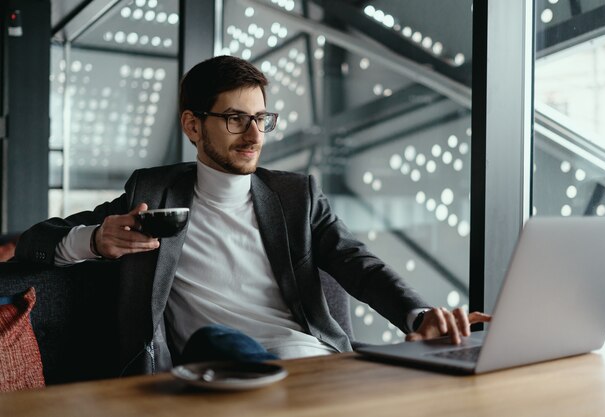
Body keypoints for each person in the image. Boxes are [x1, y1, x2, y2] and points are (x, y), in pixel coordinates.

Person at [15, 55, 490, 376]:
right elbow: (40, 238)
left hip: (307, 363)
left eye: (261, 118)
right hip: (213, 372)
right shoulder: (152, 194)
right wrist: (95, 240)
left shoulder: (296, 195)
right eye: (235, 118)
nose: (254, 134)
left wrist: (419, 314)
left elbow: (358, 264)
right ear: (193, 125)